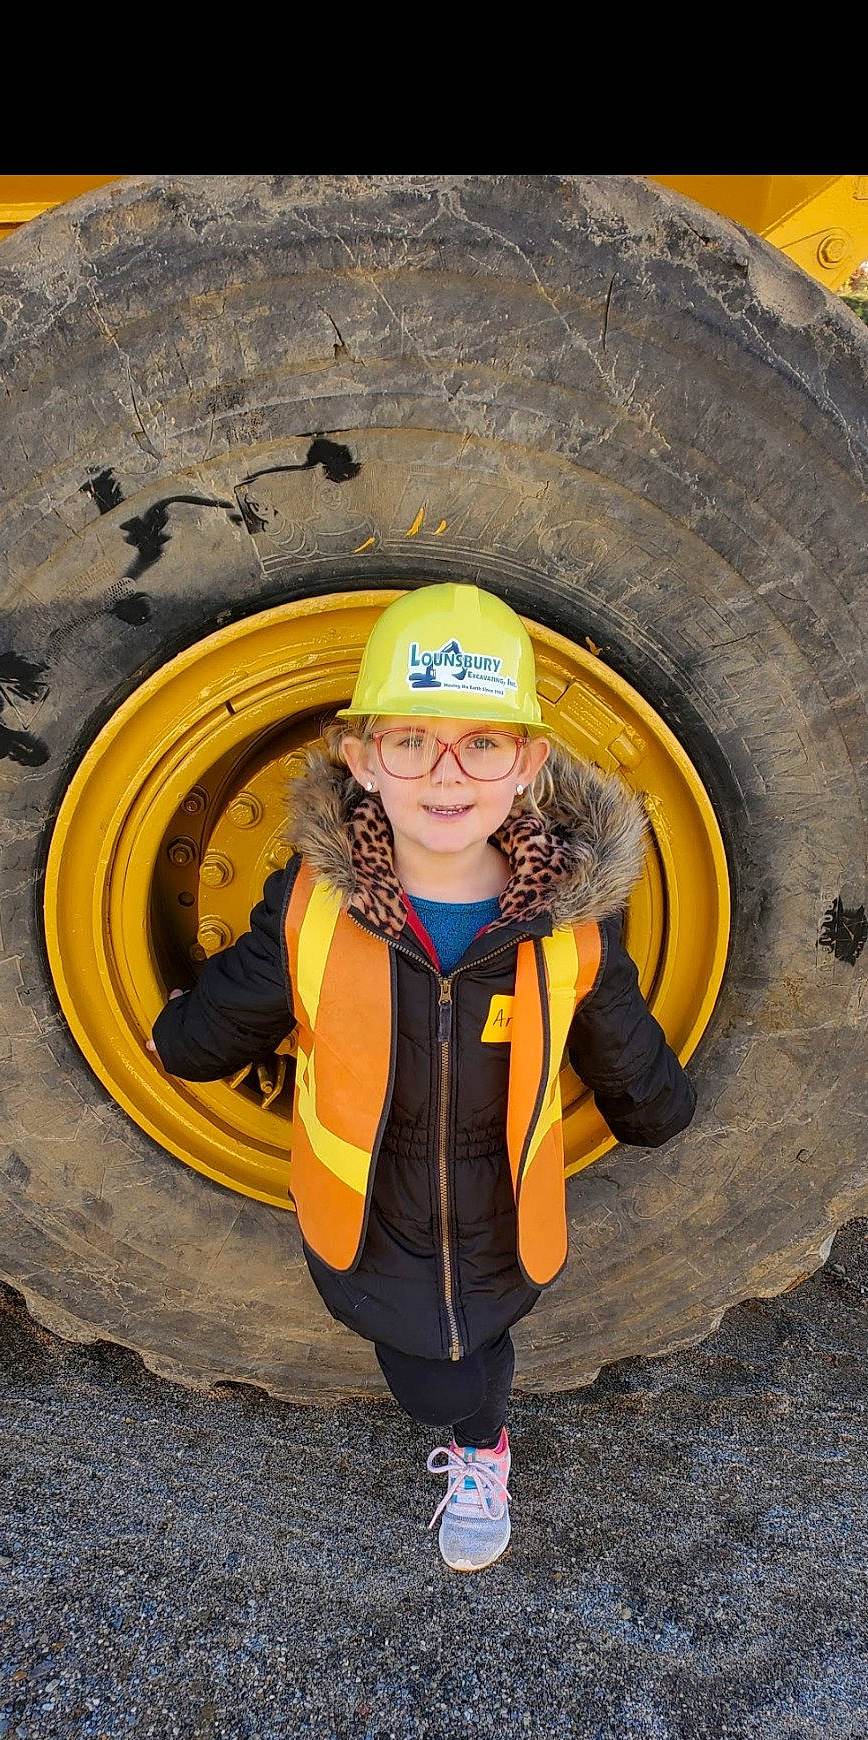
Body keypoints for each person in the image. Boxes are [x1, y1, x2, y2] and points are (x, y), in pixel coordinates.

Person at [148, 584, 695, 1573]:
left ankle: (485, 1448)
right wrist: (177, 1038)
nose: (446, 774)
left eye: (481, 744)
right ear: (361, 758)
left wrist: (656, 1107)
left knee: (480, 1353)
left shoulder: (571, 928)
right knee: (430, 1379)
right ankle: (471, 1424)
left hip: (501, 1212)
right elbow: (234, 1006)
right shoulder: (309, 908)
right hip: (369, 1214)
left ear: (526, 764)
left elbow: (619, 1042)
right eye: (410, 741)